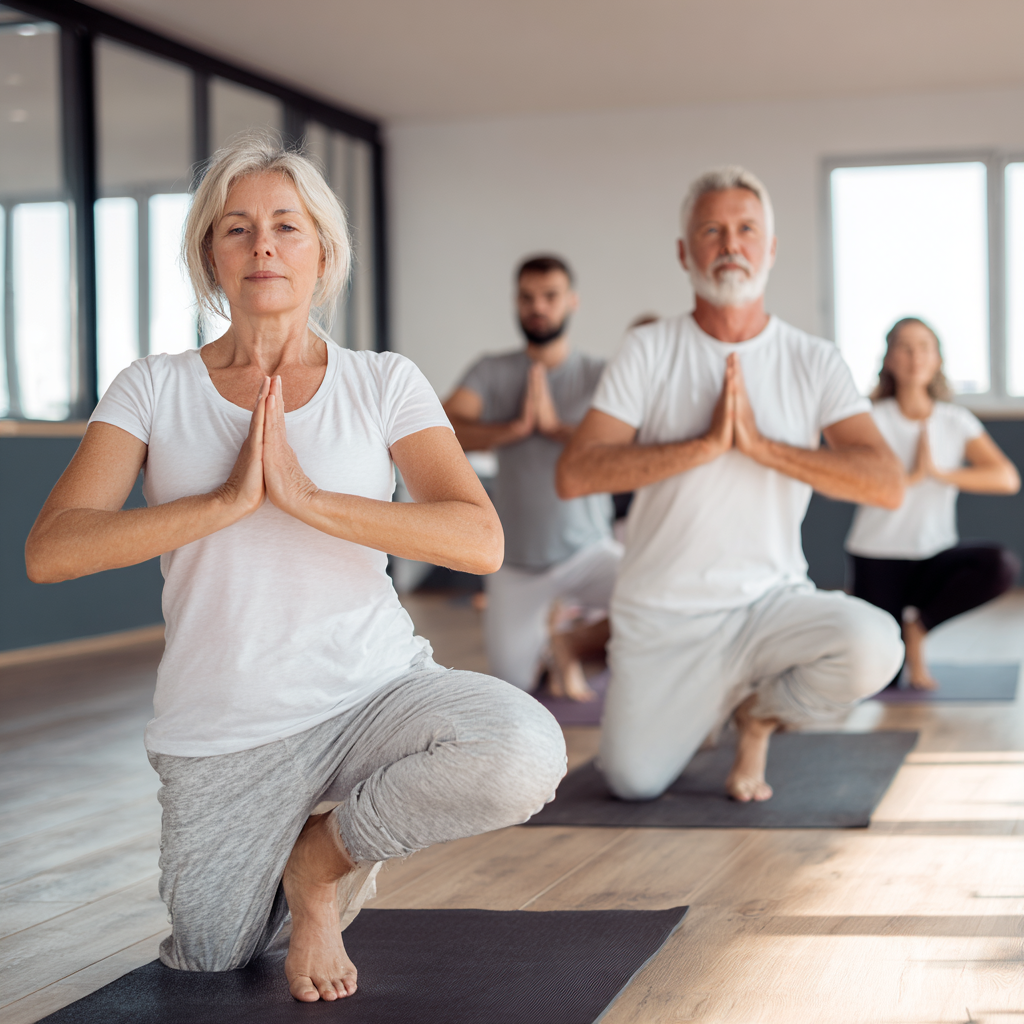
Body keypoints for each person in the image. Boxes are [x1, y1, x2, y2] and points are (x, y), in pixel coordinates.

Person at [25, 135, 566, 1003]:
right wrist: (224, 503)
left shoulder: (384, 381)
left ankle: (319, 862)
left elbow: (479, 539)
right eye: (237, 228)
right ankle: (295, 855)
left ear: (324, 251)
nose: (263, 245)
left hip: (372, 695)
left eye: (287, 225)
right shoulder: (152, 387)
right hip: (222, 731)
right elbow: (52, 550)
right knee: (209, 960)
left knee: (521, 750)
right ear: (210, 254)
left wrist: (307, 498)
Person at [556, 166, 906, 804]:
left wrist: (763, 447)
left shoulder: (814, 359)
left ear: (770, 249)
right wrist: (704, 446)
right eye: (712, 230)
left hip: (770, 604)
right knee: (633, 782)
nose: (730, 244)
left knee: (875, 644)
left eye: (747, 230)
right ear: (685, 252)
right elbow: (577, 472)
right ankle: (709, 702)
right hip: (664, 616)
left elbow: (886, 483)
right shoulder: (648, 350)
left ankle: (758, 714)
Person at [443, 255, 622, 701]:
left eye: (550, 296)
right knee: (511, 689)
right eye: (527, 297)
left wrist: (556, 427)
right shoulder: (492, 370)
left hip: (588, 550)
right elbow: (442, 428)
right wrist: (512, 430)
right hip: (516, 562)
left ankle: (570, 642)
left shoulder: (599, 374)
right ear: (516, 303)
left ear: (572, 302)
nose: (537, 307)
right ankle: (545, 654)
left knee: (657, 596)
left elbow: (622, 445)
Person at [845, 317, 1020, 688]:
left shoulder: (955, 421)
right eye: (905, 348)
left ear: (937, 359)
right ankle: (902, 649)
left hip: (932, 555)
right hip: (877, 557)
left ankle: (918, 630)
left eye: (924, 347)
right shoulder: (869, 419)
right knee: (886, 680)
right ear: (889, 359)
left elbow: (1006, 478)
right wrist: (907, 479)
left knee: (999, 565)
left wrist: (937, 473)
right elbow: (844, 483)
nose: (915, 356)